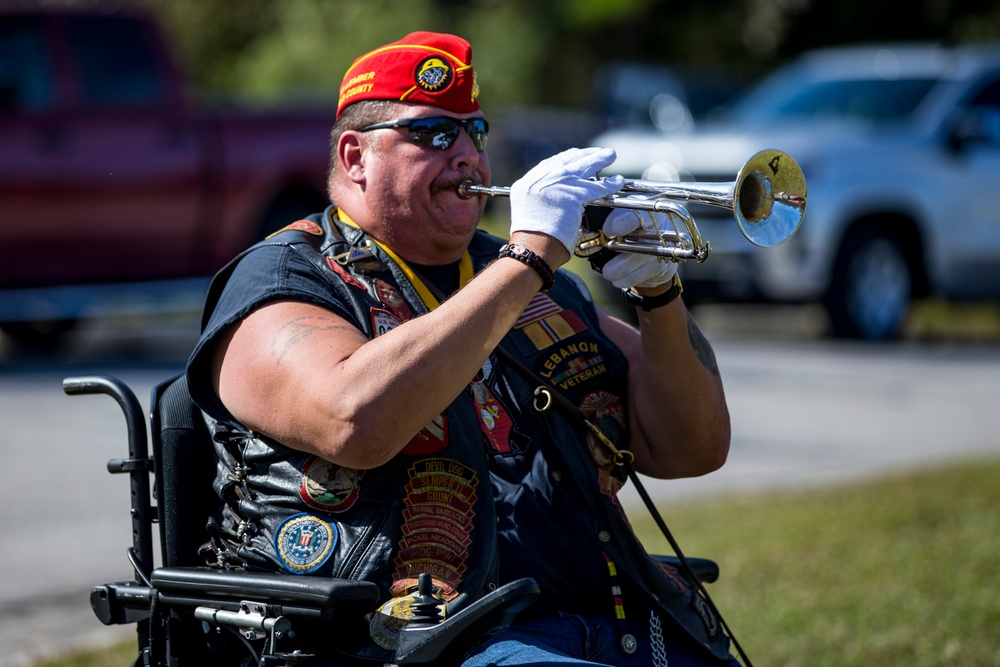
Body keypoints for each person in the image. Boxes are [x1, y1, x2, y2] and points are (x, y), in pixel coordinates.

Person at [186, 31, 737, 667]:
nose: (468, 156)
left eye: (476, 133)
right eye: (434, 134)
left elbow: (693, 448)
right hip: (417, 644)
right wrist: (529, 257)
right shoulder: (283, 277)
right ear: (356, 156)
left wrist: (659, 294)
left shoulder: (523, 280)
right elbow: (351, 420)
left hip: (609, 622)